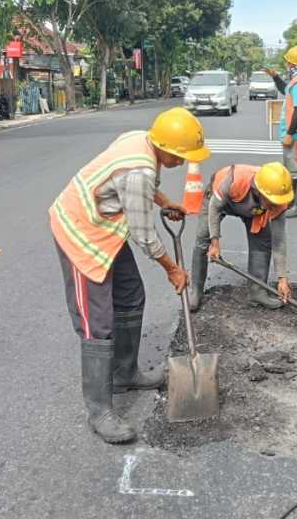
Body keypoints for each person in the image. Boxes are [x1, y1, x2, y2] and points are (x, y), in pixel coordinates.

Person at [49, 107, 211, 444]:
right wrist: (173, 269)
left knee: (131, 293)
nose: (183, 163)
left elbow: (140, 186)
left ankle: (126, 373)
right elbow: (145, 236)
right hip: (80, 229)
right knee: (97, 322)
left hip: (106, 226)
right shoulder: (138, 169)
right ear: (166, 147)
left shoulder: (143, 140)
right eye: (181, 156)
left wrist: (165, 201)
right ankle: (99, 411)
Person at [189, 162, 294, 312]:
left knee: (262, 243)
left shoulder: (278, 201)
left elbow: (279, 242)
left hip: (254, 210)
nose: (274, 205)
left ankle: (257, 292)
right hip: (220, 201)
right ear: (259, 191)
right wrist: (215, 242)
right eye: (271, 201)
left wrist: (282, 278)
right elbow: (215, 207)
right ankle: (196, 292)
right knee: (202, 240)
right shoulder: (235, 180)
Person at [264, 45, 297, 218]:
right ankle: (291, 202)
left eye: (287, 62)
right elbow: (284, 90)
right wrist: (275, 77)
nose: (286, 64)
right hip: (294, 133)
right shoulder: (296, 80)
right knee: (291, 169)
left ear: (292, 64)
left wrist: (290, 134)